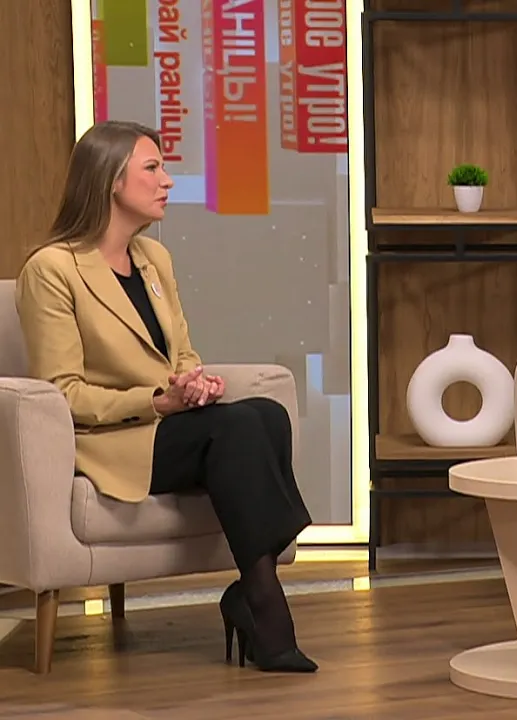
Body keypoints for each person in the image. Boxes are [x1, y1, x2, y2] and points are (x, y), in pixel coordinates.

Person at [14, 121, 317, 673]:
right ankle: (264, 605)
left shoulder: (154, 259)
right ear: (110, 180)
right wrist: (156, 402)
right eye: (152, 168)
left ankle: (251, 591)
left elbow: (181, 353)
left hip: (168, 426)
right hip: (112, 440)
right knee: (237, 427)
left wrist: (194, 382)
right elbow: (63, 393)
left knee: (267, 414)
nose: (167, 181)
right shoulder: (52, 270)